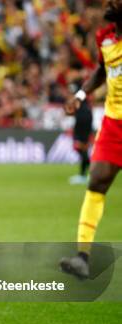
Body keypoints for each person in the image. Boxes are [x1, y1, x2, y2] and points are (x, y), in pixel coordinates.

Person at [60, 0, 122, 278]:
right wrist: (81, 95)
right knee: (96, 180)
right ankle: (82, 257)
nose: (110, 3)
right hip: (113, 123)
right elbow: (101, 70)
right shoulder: (105, 38)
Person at [68, 81, 93, 185]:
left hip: (83, 124)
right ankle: (86, 174)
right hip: (84, 123)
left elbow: (73, 110)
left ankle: (85, 175)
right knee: (82, 151)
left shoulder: (80, 98)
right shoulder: (82, 102)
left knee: (81, 149)